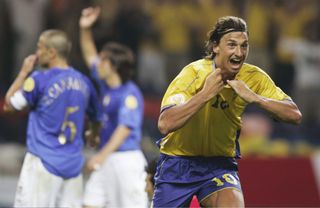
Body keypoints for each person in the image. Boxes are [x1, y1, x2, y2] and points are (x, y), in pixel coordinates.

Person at [154, 16, 302, 207]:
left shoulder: (253, 77)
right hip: (177, 164)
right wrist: (204, 94)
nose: (239, 52)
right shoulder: (193, 74)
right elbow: (165, 123)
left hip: (219, 165)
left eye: (244, 46)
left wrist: (256, 98)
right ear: (216, 46)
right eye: (232, 45)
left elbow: (294, 115)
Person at [3, 29, 102, 207]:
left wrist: (23, 73)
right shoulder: (85, 82)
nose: (36, 53)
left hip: (43, 163)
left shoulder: (40, 79)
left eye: (39, 48)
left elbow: (9, 107)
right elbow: (97, 117)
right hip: (73, 167)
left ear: (52, 53)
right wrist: (93, 135)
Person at [79, 7, 148, 207]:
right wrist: (85, 29)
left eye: (102, 60)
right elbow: (89, 55)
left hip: (125, 161)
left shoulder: (130, 94)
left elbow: (124, 129)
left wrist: (100, 156)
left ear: (113, 66)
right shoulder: (106, 87)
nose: (97, 63)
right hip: (107, 157)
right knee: (89, 203)